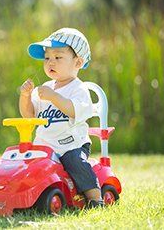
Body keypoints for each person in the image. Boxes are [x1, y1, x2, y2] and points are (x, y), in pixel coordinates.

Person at [20, 27, 104, 208]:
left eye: (58, 57)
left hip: (71, 145)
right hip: (44, 146)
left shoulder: (78, 89)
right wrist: (26, 96)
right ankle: (29, 197)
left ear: (78, 62)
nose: (51, 62)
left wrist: (52, 96)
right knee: (26, 165)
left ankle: (95, 198)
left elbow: (73, 110)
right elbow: (29, 115)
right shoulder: (44, 89)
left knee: (75, 163)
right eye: (47, 58)